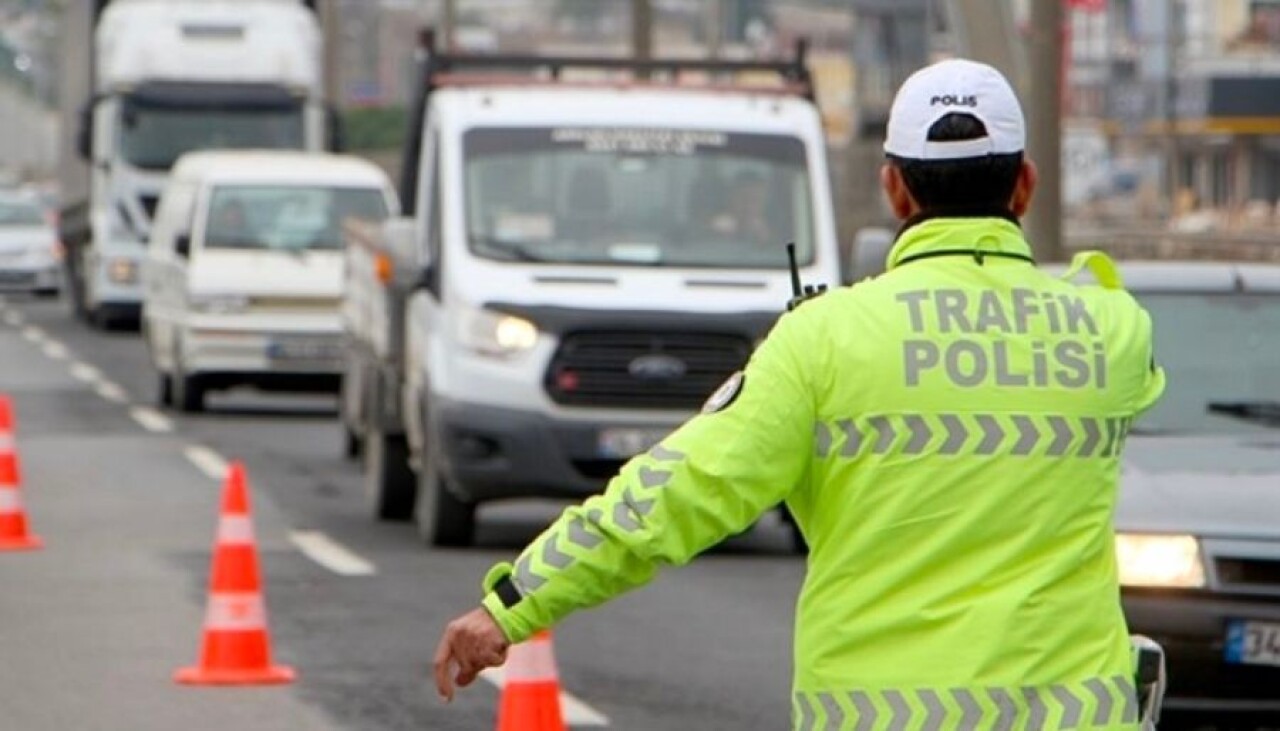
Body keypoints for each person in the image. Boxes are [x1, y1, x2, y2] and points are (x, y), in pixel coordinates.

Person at [433, 59, 1166, 729]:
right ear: (1025, 184)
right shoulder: (1111, 328)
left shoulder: (823, 339)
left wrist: (516, 603)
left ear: (894, 187)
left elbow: (669, 495)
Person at [708, 170, 773, 245]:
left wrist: (766, 239)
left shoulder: (773, 232)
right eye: (743, 199)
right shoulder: (715, 228)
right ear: (730, 199)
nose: (749, 206)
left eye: (755, 200)